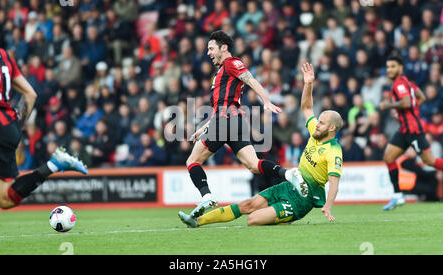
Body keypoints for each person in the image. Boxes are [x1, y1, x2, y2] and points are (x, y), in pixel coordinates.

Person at [179, 62, 343, 227]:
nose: (317, 124)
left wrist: (328, 206)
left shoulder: (334, 152)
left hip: (304, 198)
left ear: (332, 128)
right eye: (318, 121)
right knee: (247, 205)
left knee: (253, 219)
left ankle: (283, 220)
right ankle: (197, 221)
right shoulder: (315, 132)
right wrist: (308, 84)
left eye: (321, 123)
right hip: (289, 186)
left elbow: (334, 182)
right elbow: (307, 107)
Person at [184, 30, 292, 219]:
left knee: (192, 161)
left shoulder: (231, 63)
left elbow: (251, 80)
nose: (208, 53)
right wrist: (203, 128)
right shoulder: (221, 72)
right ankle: (289, 175)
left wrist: (266, 101)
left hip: (226, 120)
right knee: (253, 165)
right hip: (233, 121)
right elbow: (222, 107)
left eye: (211, 48)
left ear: (223, 48)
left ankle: (207, 197)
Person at [0, 46, 87, 210]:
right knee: (4, 199)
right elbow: (31, 94)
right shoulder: (2, 55)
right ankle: (54, 165)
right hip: (8, 130)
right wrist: (15, 128)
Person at [379, 54, 443, 211]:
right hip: (404, 129)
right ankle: (397, 195)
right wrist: (407, 112)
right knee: (388, 157)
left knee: (430, 161)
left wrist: (389, 106)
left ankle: (398, 195)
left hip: (413, 130)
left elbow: (407, 102)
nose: (389, 70)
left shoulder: (399, 83)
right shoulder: (407, 82)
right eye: (388, 67)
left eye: (393, 66)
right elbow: (421, 97)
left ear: (400, 68)